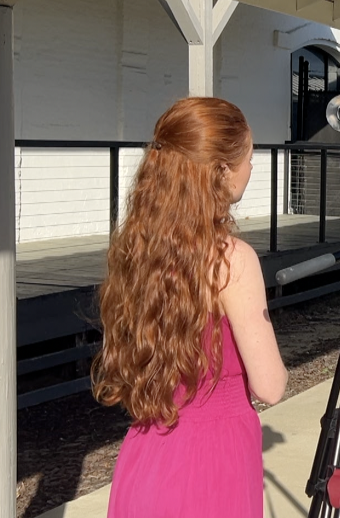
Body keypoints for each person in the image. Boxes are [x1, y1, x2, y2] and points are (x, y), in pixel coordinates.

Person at [91, 97, 288, 517]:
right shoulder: (231, 260)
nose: (252, 168)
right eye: (248, 157)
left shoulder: (136, 252)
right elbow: (271, 386)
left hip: (146, 459)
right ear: (220, 171)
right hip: (214, 467)